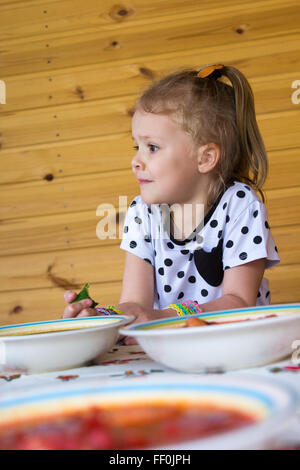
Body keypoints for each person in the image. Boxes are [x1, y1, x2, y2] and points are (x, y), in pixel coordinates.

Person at [63, 64, 280, 328]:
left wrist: (163, 317)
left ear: (205, 158)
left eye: (152, 147)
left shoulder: (240, 205)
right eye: (137, 146)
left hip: (236, 342)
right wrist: (100, 319)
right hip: (171, 346)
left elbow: (238, 302)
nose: (135, 161)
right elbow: (135, 302)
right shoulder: (142, 213)